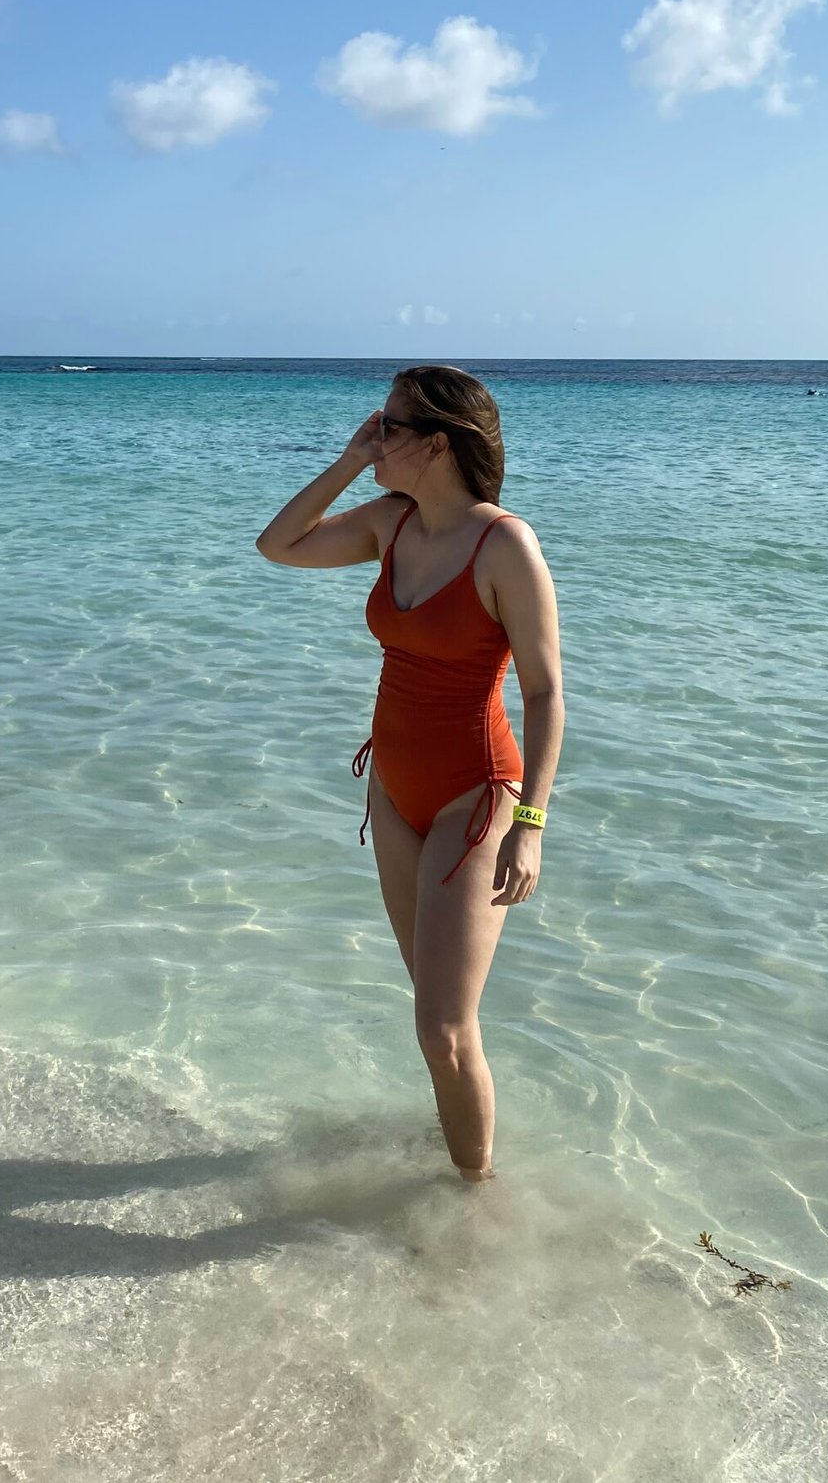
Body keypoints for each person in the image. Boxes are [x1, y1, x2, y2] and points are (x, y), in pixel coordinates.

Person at [256, 364, 564, 1183]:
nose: (373, 431)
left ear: (437, 442)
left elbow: (543, 690)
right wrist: (355, 460)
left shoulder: (505, 545)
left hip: (475, 796)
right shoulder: (389, 524)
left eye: (388, 425)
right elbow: (277, 545)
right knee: (433, 1015)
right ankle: (457, 1157)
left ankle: (476, 1202)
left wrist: (530, 827)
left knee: (445, 1030)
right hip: (392, 791)